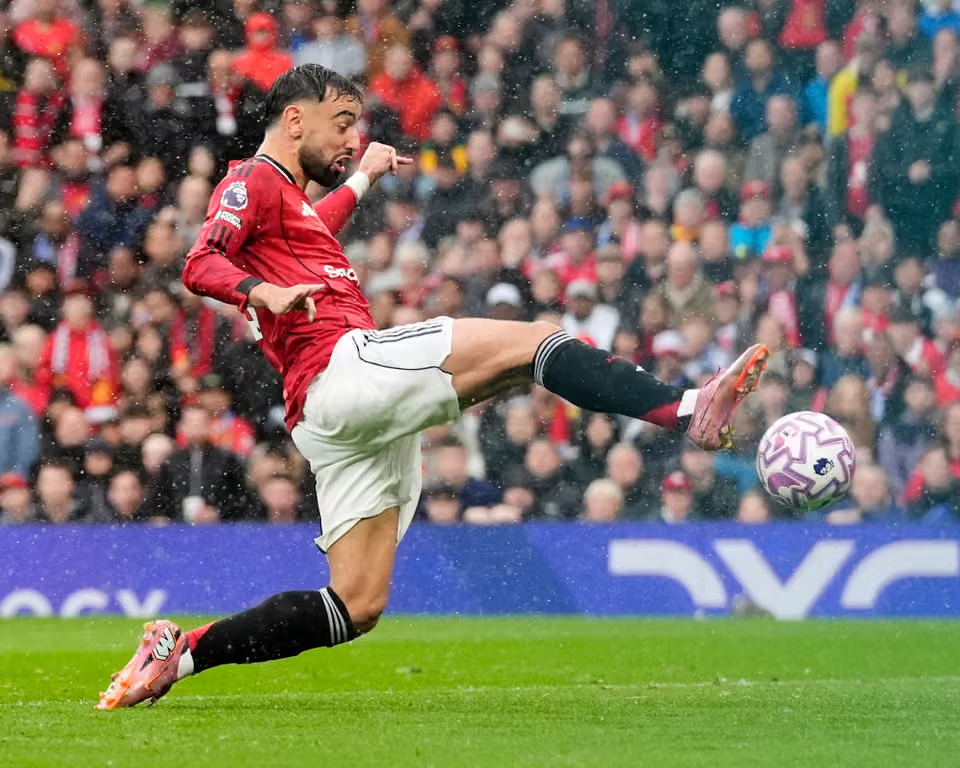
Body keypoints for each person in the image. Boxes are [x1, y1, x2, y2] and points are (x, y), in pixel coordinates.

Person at [96, 65, 769, 710]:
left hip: (328, 416)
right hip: (344, 367)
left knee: (355, 606)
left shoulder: (290, 204)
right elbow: (201, 260)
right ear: (295, 120)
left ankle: (181, 654)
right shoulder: (252, 178)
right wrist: (261, 292)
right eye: (342, 122)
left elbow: (313, 230)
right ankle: (687, 408)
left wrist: (363, 177)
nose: (352, 137)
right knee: (535, 341)